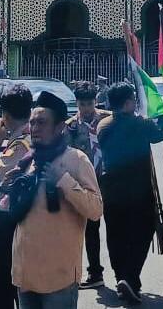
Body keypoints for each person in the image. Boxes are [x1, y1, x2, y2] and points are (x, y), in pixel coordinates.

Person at [10, 91, 103, 309]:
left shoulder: (75, 160)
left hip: (58, 277)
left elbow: (96, 209)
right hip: (26, 274)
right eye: (32, 123)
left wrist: (64, 181)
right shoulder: (27, 162)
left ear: (60, 127)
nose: (34, 129)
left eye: (41, 123)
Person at [96, 81, 163, 304]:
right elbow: (160, 134)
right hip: (139, 191)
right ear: (128, 103)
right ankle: (130, 276)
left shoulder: (103, 126)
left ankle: (122, 278)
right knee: (143, 233)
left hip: (111, 190)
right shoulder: (140, 124)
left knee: (116, 236)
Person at [0, 83, 33, 309]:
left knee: (0, 289)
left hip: (10, 223)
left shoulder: (19, 144)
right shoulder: (34, 135)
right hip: (29, 221)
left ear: (5, 114)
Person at [66, 81, 110, 289]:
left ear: (96, 101)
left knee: (115, 226)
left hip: (109, 178)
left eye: (90, 103)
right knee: (90, 228)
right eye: (82, 104)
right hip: (87, 183)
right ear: (77, 104)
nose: (86, 109)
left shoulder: (107, 119)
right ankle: (95, 272)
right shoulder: (71, 127)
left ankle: (124, 274)